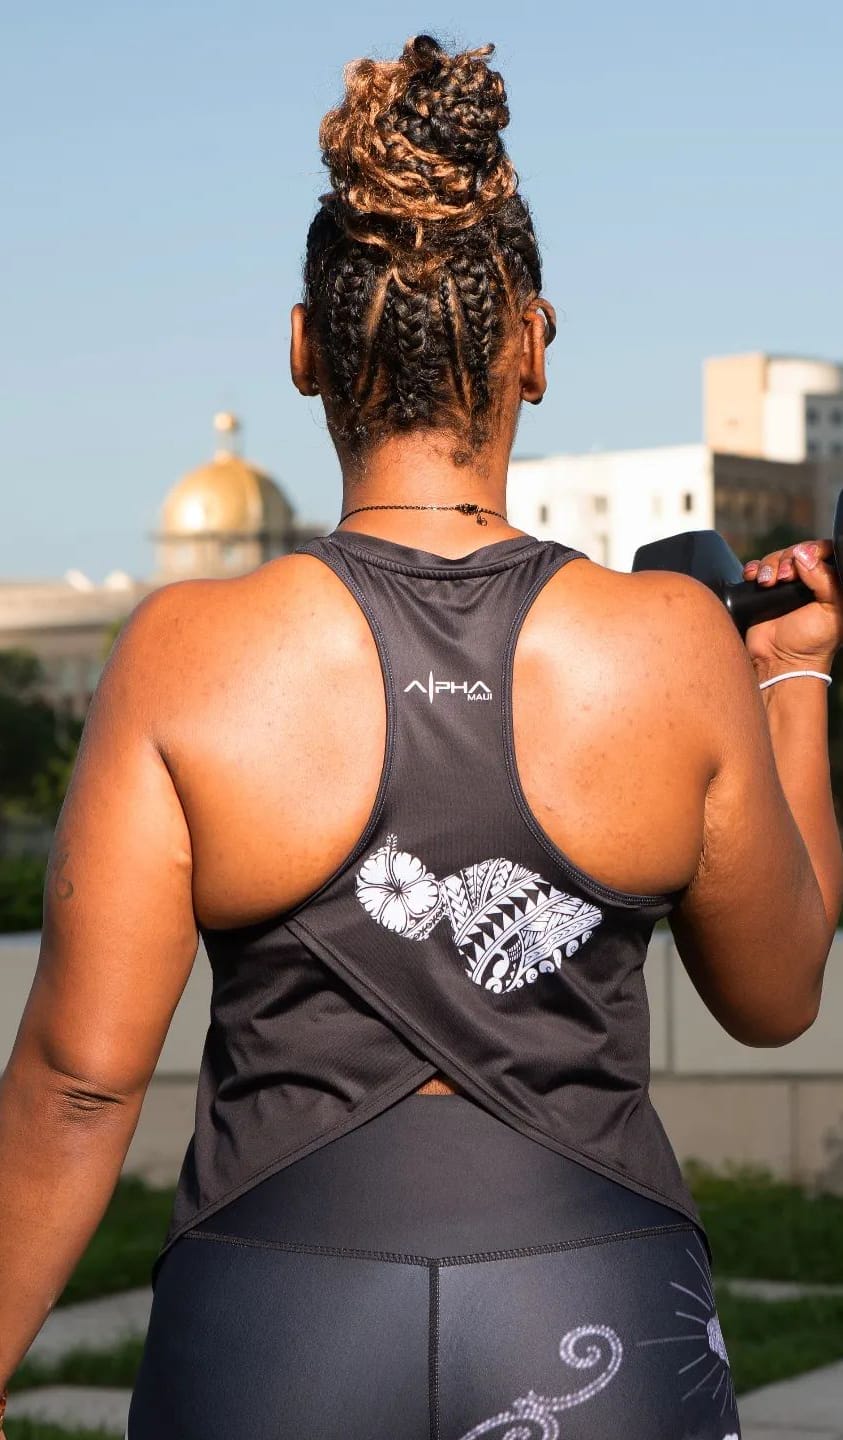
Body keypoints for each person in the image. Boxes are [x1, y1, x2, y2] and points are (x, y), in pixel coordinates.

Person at [1, 33, 841, 1440]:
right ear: (533, 346)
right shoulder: (671, 648)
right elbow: (777, 990)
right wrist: (793, 681)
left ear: (303, 348)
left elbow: (80, 1087)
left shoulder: (186, 656)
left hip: (274, 1325)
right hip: (600, 1322)